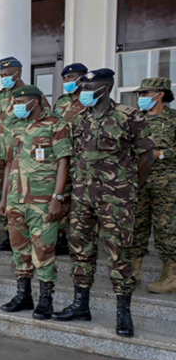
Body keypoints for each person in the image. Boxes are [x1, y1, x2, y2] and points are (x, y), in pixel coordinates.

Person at [53, 69, 155, 338]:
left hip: (116, 200)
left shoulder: (128, 115)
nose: (85, 91)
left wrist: (133, 186)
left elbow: (146, 157)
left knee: (119, 254)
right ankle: (80, 306)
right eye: (84, 86)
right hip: (82, 198)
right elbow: (76, 157)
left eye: (91, 86)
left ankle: (123, 313)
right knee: (80, 251)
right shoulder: (80, 118)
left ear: (106, 88)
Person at [0, 86, 72, 320]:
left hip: (42, 201)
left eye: (22, 101)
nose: (17, 105)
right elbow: (10, 164)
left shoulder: (56, 124)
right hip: (16, 200)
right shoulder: (15, 126)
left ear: (37, 102)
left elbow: (63, 162)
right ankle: (24, 295)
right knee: (20, 250)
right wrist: (3, 197)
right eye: (15, 101)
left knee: (44, 250)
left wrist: (57, 199)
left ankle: (45, 300)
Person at [131, 78, 176, 293]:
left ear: (160, 94)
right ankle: (134, 270)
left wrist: (161, 154)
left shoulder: (173, 119)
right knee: (136, 226)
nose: (141, 98)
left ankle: (170, 275)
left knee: (166, 228)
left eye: (145, 93)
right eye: (140, 94)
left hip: (166, 183)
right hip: (138, 181)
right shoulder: (136, 119)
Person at [53, 63, 89, 256]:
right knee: (62, 198)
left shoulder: (90, 101)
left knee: (81, 202)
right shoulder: (61, 102)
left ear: (82, 78)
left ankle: (81, 240)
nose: (67, 82)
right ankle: (61, 238)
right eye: (65, 78)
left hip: (84, 160)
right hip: (64, 158)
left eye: (71, 77)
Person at [0, 56, 27, 252]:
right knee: (4, 193)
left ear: (18, 73)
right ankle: (9, 235)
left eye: (7, 74)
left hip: (25, 155)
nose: (4, 78)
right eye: (1, 75)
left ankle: (26, 235)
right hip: (4, 156)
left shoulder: (30, 94)